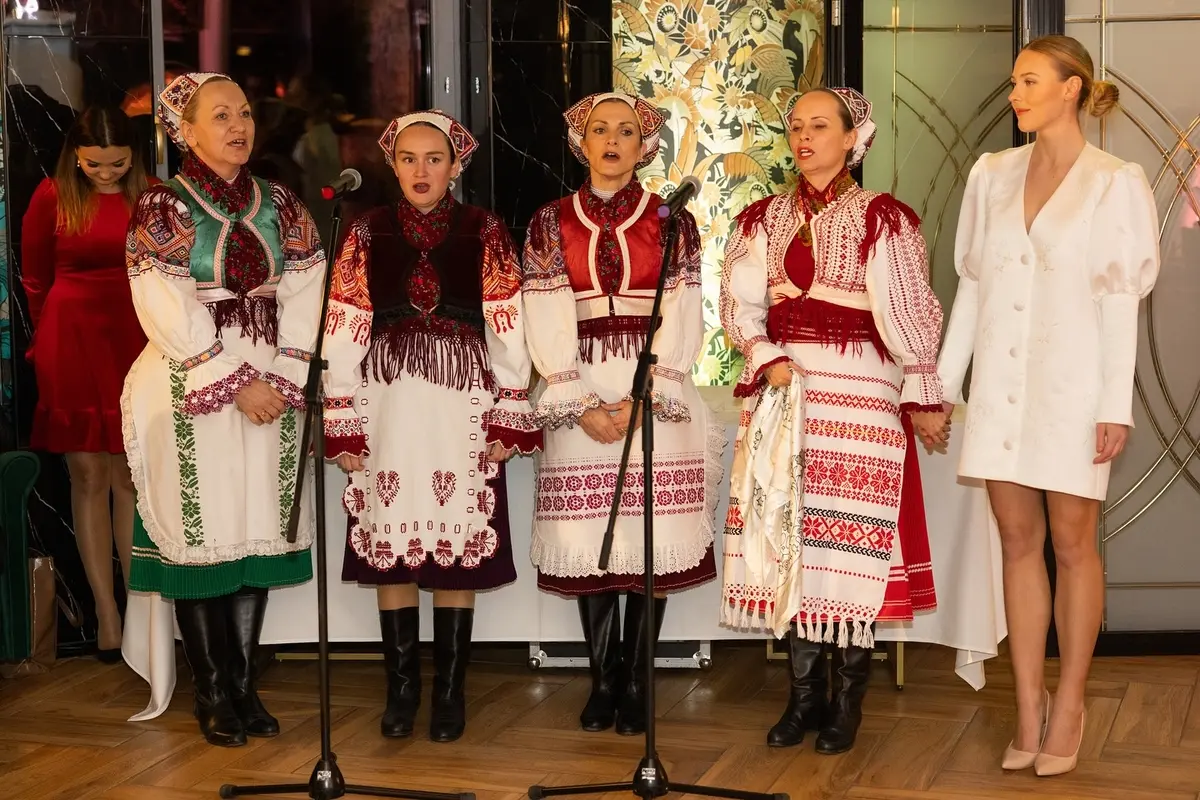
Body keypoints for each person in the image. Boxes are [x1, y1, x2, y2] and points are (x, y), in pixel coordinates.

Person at [937, 35, 1160, 777]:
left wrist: (1114, 405)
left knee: (1072, 543)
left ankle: (1071, 700)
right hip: (1000, 386)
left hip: (1073, 386)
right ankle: (1027, 704)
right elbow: (972, 286)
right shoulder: (989, 175)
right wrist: (941, 383)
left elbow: (1120, 299)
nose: (1015, 95)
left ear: (1072, 88)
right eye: (1012, 83)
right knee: (1016, 540)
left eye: (1029, 81)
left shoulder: (1114, 181)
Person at [719, 86, 945, 755]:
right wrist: (766, 356)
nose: (805, 136)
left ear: (854, 137)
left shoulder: (882, 217)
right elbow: (739, 306)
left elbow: (908, 311)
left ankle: (847, 703)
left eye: (820, 125)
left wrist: (924, 390)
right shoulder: (762, 217)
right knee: (793, 539)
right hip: (786, 391)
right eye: (795, 126)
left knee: (850, 549)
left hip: (859, 391)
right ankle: (803, 700)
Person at [321, 110, 540, 743]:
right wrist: (343, 414)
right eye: (410, 159)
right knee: (390, 538)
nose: (422, 170)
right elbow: (344, 323)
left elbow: (506, 321)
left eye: (435, 158)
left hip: (460, 404)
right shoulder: (367, 230)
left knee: (453, 542)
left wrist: (509, 408)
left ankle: (448, 692)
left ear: (456, 165)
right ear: (392, 164)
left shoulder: (484, 228)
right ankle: (402, 689)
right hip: (387, 402)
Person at [122, 72, 326, 746]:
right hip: (195, 382)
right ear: (185, 130)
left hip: (272, 382)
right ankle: (212, 691)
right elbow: (163, 302)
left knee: (251, 527)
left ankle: (243, 684)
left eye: (243, 112)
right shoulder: (163, 208)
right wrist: (235, 380)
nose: (238, 125)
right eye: (220, 115)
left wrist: (290, 371)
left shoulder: (282, 203)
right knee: (203, 536)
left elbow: (306, 288)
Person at [521, 92, 724, 736]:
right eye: (599, 130)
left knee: (648, 541)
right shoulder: (549, 221)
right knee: (589, 541)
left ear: (645, 145)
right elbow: (544, 314)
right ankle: (601, 677)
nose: (612, 141)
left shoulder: (674, 220)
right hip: (578, 389)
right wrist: (577, 402)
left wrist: (648, 395)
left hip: (651, 396)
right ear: (580, 142)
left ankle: (638, 679)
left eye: (626, 131)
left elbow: (684, 309)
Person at [20, 105, 153, 661]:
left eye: (117, 163)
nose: (105, 173)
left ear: (133, 157)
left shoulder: (151, 196)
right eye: (94, 164)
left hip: (135, 336)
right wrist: (41, 344)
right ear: (75, 155)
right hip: (70, 337)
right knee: (86, 471)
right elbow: (34, 277)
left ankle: (139, 606)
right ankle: (106, 610)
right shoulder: (52, 195)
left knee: (128, 472)